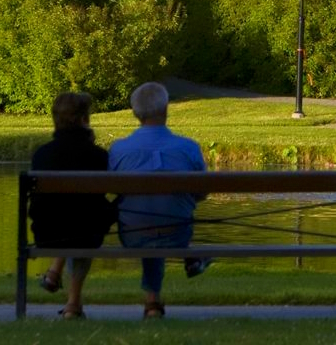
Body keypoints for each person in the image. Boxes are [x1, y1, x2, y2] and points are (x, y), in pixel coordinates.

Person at [109, 82, 209, 319]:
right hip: (178, 235)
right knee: (165, 216)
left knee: (146, 218)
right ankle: (157, 297)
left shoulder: (119, 149)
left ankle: (152, 302)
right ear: (166, 110)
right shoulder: (188, 148)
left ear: (135, 113)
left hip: (133, 234)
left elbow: (111, 190)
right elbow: (203, 192)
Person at [29, 91, 114, 320]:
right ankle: (73, 303)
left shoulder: (42, 155)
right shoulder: (98, 156)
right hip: (86, 233)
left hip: (46, 233)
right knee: (86, 220)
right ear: (84, 119)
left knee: (72, 219)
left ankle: (55, 274)